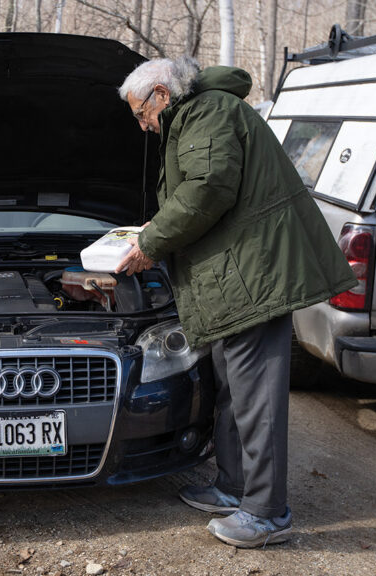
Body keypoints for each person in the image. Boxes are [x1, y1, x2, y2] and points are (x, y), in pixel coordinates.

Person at [116, 58, 356, 548]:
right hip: (234, 275)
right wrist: (151, 230)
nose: (142, 126)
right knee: (231, 386)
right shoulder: (195, 115)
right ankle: (234, 487)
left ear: (161, 93)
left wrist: (152, 242)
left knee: (257, 397)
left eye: (141, 113)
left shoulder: (207, 113)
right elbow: (200, 191)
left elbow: (208, 188)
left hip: (255, 276)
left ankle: (268, 512)